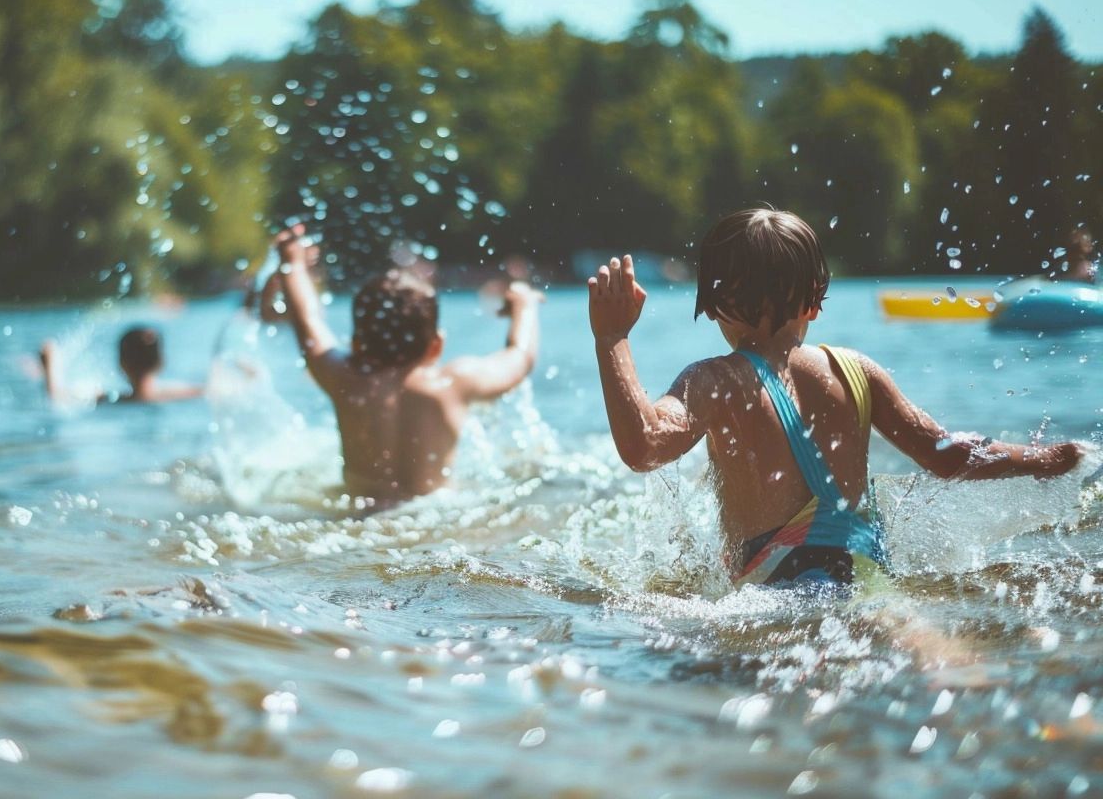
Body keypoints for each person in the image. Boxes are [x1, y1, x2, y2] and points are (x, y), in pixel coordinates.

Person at [587, 207, 1083, 589]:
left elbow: (645, 445)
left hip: (774, 579)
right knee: (911, 636)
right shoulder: (857, 371)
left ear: (713, 301)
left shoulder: (715, 381)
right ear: (815, 300)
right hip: (864, 563)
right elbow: (949, 453)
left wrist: (613, 339)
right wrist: (1047, 458)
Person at [274, 224, 542, 501]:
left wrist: (292, 264)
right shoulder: (454, 382)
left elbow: (307, 319)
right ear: (436, 345)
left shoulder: (344, 379)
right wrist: (525, 306)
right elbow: (520, 357)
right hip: (435, 517)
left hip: (361, 519)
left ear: (355, 344)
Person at [40, 326, 201, 404]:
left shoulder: (112, 400)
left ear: (121, 364)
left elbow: (59, 397)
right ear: (161, 362)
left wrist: (51, 361)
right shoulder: (187, 393)